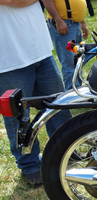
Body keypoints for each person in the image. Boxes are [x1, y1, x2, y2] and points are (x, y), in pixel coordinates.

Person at [0, 0, 72, 187]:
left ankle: (67, 149)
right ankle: (30, 165)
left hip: (40, 52)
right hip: (9, 60)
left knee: (59, 106)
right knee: (18, 117)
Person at [42, 0, 89, 91]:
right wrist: (58, 20)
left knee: (78, 60)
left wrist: (82, 22)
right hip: (64, 24)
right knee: (70, 63)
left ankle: (77, 91)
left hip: (74, 24)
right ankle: (72, 95)